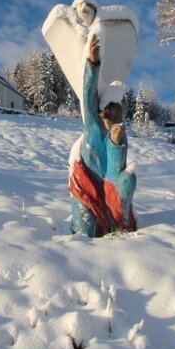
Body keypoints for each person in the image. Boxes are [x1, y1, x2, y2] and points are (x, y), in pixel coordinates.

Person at [69, 34, 138, 236]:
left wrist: (116, 144)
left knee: (127, 180)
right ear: (101, 111)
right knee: (85, 230)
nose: (110, 116)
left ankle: (119, 225)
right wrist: (93, 62)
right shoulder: (93, 125)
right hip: (86, 186)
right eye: (108, 110)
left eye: (116, 111)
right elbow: (87, 94)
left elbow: (114, 172)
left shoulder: (119, 133)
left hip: (107, 189)